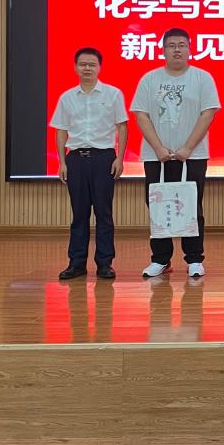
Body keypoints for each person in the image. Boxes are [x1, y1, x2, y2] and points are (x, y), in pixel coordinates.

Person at [131, 28, 220, 279]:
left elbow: (208, 114)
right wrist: (159, 148)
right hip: (155, 156)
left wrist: (188, 148)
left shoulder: (202, 78)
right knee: (157, 205)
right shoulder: (149, 79)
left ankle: (194, 259)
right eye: (171, 45)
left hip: (193, 155)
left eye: (182, 45)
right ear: (163, 50)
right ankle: (160, 259)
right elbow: (141, 115)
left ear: (190, 49)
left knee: (191, 205)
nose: (177, 50)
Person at [49, 47, 128, 280]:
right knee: (79, 214)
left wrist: (120, 158)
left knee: (104, 213)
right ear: (75, 67)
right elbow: (61, 130)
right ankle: (76, 263)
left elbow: (122, 126)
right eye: (83, 64)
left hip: (104, 159)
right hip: (76, 159)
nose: (87, 68)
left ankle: (105, 263)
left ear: (99, 67)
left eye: (92, 64)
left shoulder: (113, 94)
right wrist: (62, 162)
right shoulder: (67, 97)